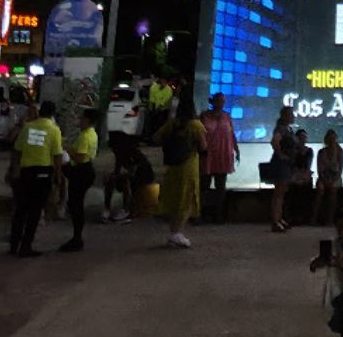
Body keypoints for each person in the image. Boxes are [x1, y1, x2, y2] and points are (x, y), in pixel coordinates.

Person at [8, 99, 63, 257]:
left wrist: (14, 169)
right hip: (43, 173)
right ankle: (26, 246)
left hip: (26, 172)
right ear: (52, 114)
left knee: (20, 210)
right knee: (35, 211)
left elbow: (17, 150)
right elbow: (57, 155)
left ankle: (14, 244)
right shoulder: (54, 130)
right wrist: (58, 176)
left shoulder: (28, 127)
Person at [155, 96, 206, 249]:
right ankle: (177, 232)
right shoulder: (196, 125)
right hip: (189, 166)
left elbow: (156, 138)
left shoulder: (172, 124)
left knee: (175, 197)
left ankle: (173, 231)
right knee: (187, 198)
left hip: (173, 166)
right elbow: (204, 146)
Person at [60, 107, 99, 252]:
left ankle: (77, 238)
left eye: (82, 118)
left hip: (81, 171)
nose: (80, 120)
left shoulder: (85, 136)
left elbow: (80, 157)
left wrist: (67, 148)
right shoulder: (91, 134)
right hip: (85, 170)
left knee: (76, 204)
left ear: (88, 120)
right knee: (75, 203)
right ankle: (76, 237)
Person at [200, 93, 240, 224]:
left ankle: (219, 215)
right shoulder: (204, 115)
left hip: (223, 154)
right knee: (204, 185)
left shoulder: (227, 116)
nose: (222, 103)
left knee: (220, 186)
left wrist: (236, 149)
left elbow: (231, 134)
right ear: (214, 101)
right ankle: (201, 213)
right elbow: (199, 134)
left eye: (223, 101)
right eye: (220, 100)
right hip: (208, 154)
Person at [102, 133, 155, 222]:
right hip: (134, 175)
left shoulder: (132, 153)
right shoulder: (118, 154)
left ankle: (125, 210)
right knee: (110, 180)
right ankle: (106, 208)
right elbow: (117, 170)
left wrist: (118, 176)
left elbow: (132, 172)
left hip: (144, 176)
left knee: (125, 181)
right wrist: (112, 176)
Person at [265, 106, 295, 232]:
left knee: (282, 193)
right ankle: (275, 220)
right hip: (281, 164)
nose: (293, 116)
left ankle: (279, 218)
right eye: (291, 114)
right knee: (278, 193)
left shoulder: (288, 128)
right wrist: (281, 154)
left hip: (287, 164)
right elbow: (275, 141)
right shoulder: (281, 129)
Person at [314, 128, 343, 225]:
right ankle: (314, 217)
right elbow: (319, 169)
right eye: (330, 139)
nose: (332, 141)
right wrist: (324, 179)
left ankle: (330, 219)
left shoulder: (340, 152)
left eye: (333, 139)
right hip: (323, 177)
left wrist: (332, 180)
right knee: (320, 190)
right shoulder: (321, 152)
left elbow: (340, 170)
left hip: (335, 177)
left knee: (333, 190)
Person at [145, 76, 172, 142]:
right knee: (152, 124)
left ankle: (159, 139)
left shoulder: (168, 89)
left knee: (160, 124)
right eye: (162, 80)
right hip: (155, 109)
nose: (163, 83)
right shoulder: (153, 87)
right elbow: (152, 100)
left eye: (164, 81)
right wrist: (151, 109)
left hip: (163, 110)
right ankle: (151, 138)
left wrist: (158, 109)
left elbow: (166, 101)